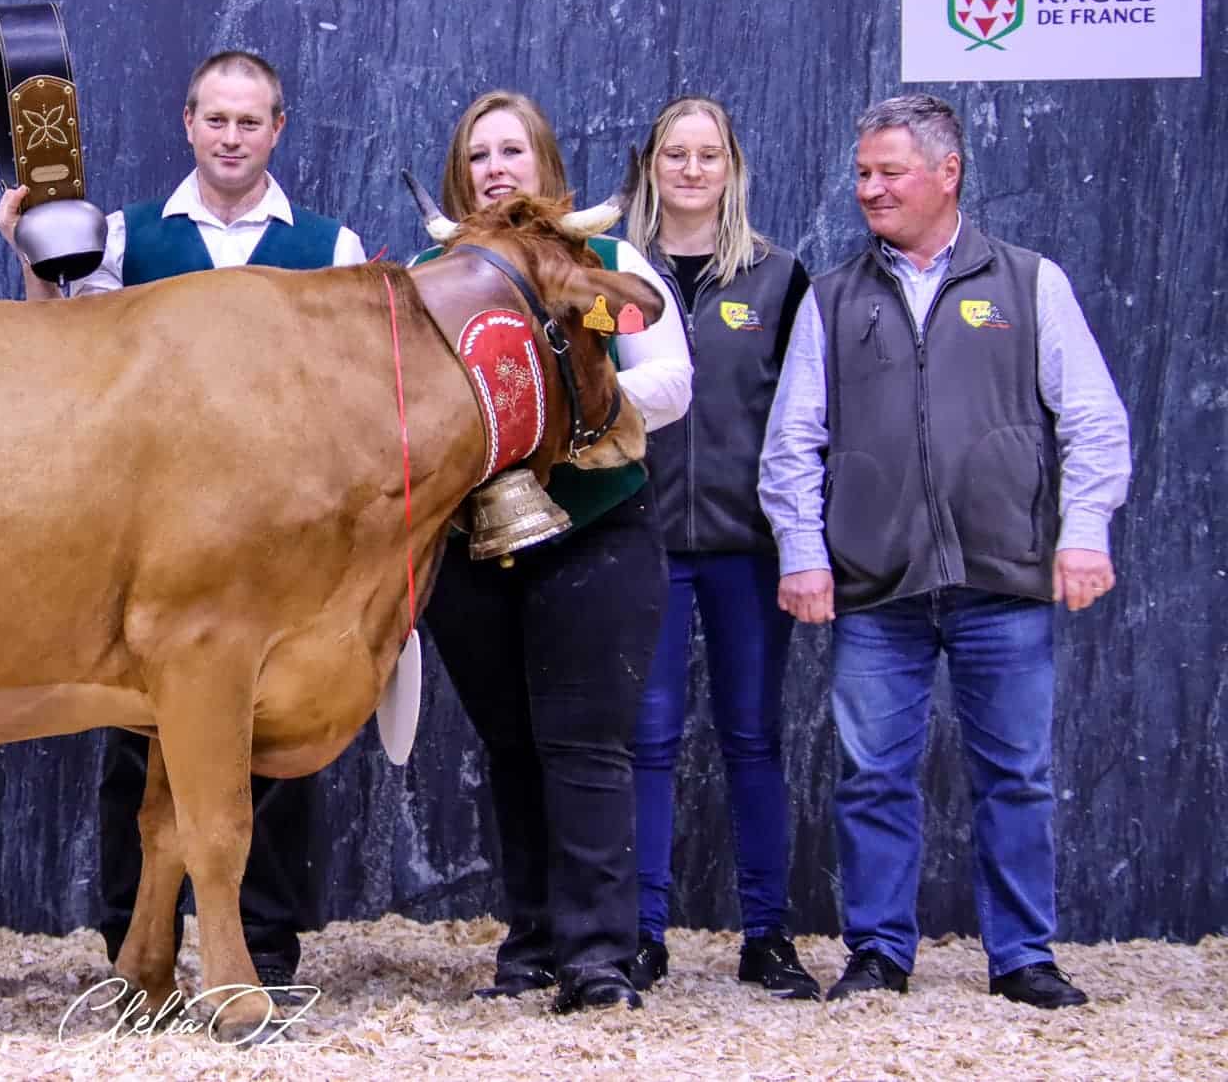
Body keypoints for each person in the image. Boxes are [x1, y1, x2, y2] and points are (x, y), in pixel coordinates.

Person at [0, 49, 364, 986]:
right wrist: (34, 265)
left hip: (286, 558)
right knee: (136, 744)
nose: (232, 137)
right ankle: (135, 939)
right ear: (187, 124)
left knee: (270, 752)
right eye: (216, 120)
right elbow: (60, 363)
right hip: (149, 543)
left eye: (251, 122)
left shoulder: (334, 248)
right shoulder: (123, 237)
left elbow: (361, 401)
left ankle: (265, 945)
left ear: (278, 130)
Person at [759, 93, 1129, 1009]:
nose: (869, 189)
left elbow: (1095, 422)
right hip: (877, 589)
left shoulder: (1030, 283)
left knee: (1017, 778)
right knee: (872, 778)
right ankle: (880, 952)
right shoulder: (835, 298)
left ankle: (1024, 959)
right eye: (862, 174)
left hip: (1004, 580)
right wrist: (803, 552)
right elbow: (791, 442)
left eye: (889, 172)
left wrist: (1083, 534)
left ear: (948, 172)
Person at [414, 91, 691, 1013]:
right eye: (480, 155)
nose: (497, 169)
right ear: (461, 174)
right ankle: (530, 942)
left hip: (594, 532)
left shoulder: (607, 262)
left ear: (545, 165)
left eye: (514, 152)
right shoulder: (423, 277)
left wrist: (561, 424)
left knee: (585, 746)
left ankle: (600, 958)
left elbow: (673, 383)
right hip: (470, 545)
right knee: (509, 747)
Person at [620, 97, 819, 999]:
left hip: (748, 546)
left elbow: (807, 420)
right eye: (675, 154)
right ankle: (642, 934)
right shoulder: (615, 276)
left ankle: (767, 936)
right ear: (650, 167)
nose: (692, 170)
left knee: (752, 739)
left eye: (708, 155)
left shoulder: (780, 280)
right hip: (644, 540)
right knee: (649, 740)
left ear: (732, 167)